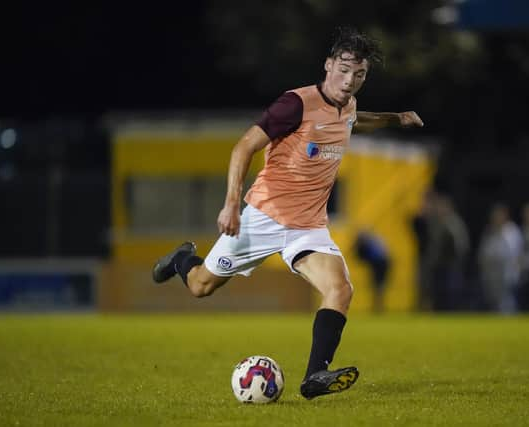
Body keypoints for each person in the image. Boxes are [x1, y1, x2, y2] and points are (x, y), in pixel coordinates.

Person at [151, 27, 424, 400]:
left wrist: (397, 118)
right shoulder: (295, 104)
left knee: (340, 289)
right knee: (200, 286)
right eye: (343, 70)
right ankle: (183, 258)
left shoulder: (348, 107)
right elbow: (242, 148)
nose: (349, 81)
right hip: (263, 216)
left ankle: (315, 377)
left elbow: (353, 122)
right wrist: (232, 203)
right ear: (327, 65)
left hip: (308, 227)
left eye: (359, 75)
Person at [477, 203, 523, 313]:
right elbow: (483, 252)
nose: (496, 218)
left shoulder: (512, 231)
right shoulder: (490, 231)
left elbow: (516, 253)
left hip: (507, 272)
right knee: (493, 301)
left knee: (507, 300)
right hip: (492, 272)